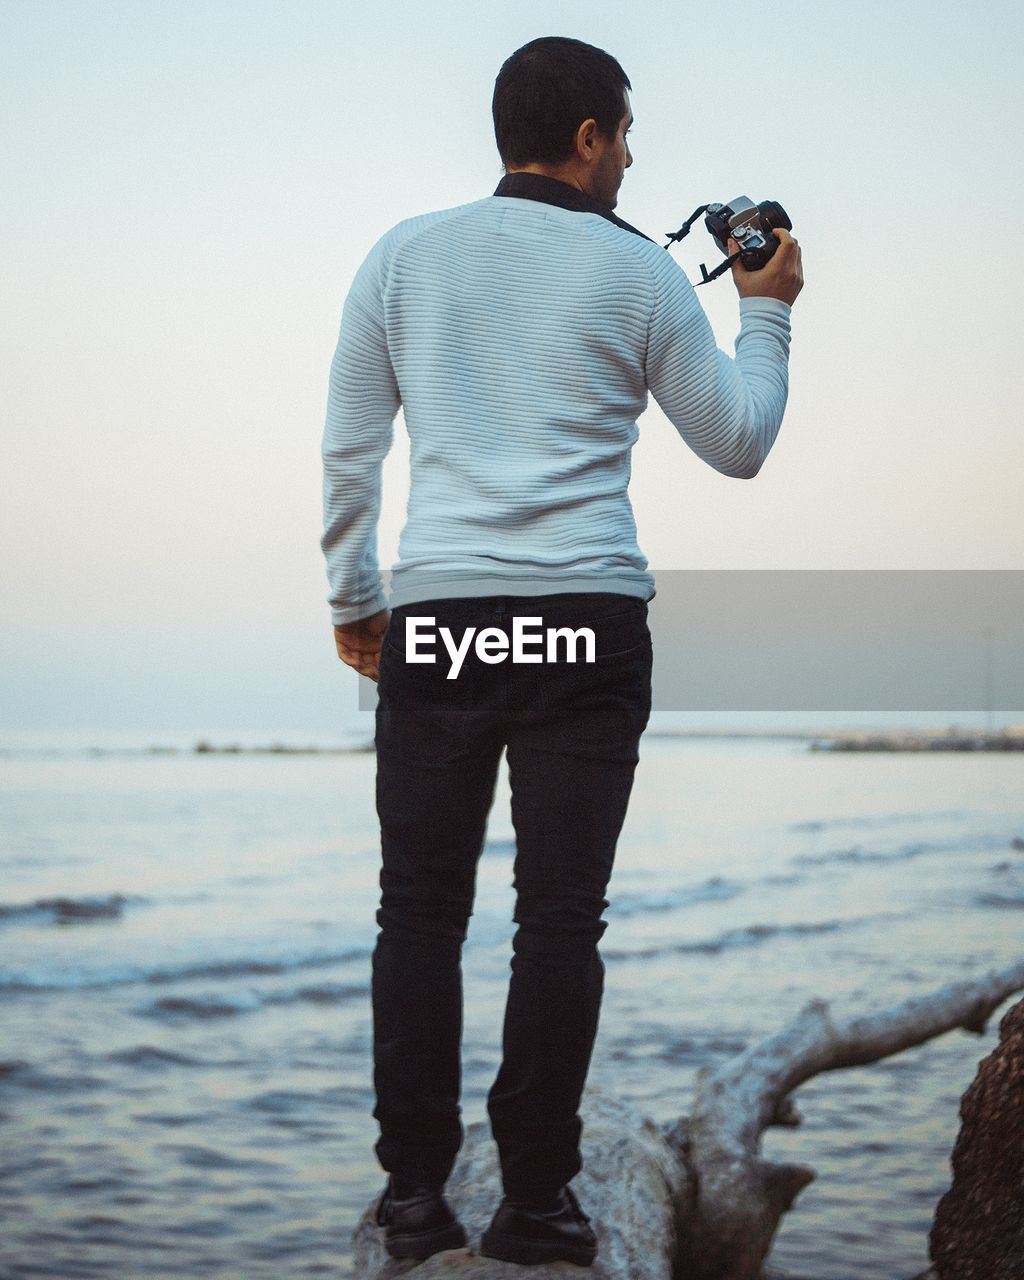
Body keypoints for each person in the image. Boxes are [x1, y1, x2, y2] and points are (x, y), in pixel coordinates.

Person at [321, 35, 803, 1266]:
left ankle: (417, 1196)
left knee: (418, 913)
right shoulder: (638, 274)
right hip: (585, 622)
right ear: (586, 137)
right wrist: (764, 312)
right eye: (625, 135)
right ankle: (535, 1202)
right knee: (558, 920)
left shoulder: (402, 255)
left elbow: (349, 451)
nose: (633, 157)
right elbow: (739, 441)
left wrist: (356, 600)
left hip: (443, 622)